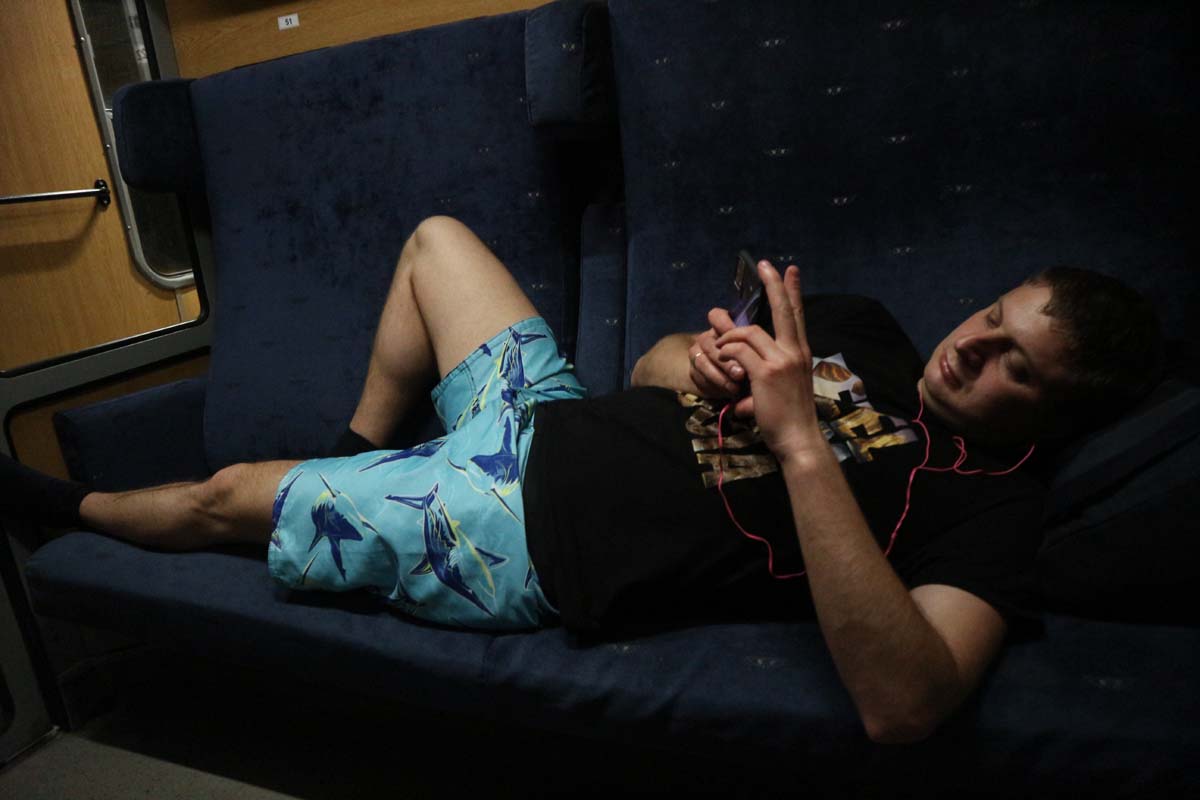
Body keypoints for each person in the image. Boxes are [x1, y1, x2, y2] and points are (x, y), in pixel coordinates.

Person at [1, 216, 1162, 744]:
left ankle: (51, 507)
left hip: (528, 534)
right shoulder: (866, 329)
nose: (972, 347)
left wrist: (803, 440)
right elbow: (651, 366)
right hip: (547, 415)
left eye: (1016, 363)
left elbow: (903, 704)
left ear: (1056, 409)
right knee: (436, 241)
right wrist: (704, 365)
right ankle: (359, 451)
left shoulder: (994, 509)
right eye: (992, 314)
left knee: (227, 494)